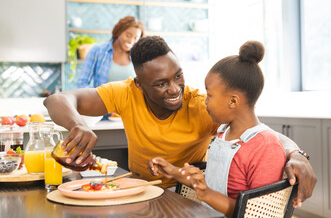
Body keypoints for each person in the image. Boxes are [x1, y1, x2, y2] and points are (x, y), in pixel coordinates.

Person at [43, 36, 316, 206]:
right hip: (137, 190)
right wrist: (77, 123)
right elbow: (57, 100)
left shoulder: (200, 105)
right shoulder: (125, 92)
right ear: (139, 84)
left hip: (186, 196)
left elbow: (256, 132)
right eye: (161, 84)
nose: (175, 89)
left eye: (178, 76)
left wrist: (296, 153)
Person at [149, 41, 287, 217]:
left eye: (210, 95)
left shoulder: (266, 146)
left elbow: (259, 213)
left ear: (233, 101)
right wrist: (174, 171)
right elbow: (212, 184)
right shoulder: (223, 133)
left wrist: (206, 194)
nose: (205, 101)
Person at [77, 16, 144, 88]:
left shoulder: (138, 57)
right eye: (128, 35)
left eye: (135, 38)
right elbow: (82, 83)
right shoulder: (98, 51)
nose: (131, 41)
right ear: (119, 31)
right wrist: (97, 97)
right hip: (101, 99)